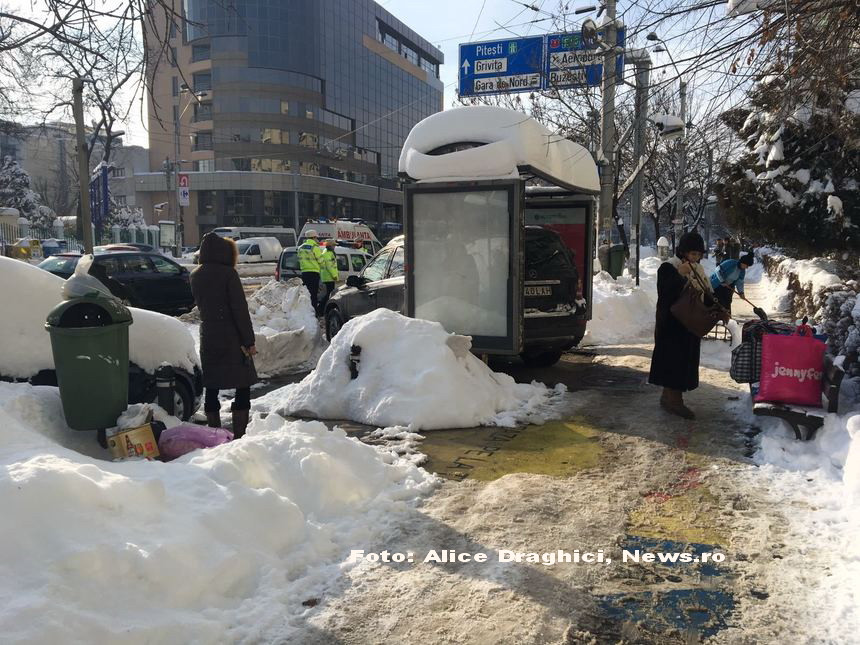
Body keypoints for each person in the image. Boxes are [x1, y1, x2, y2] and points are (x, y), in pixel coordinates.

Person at [190, 233, 257, 438]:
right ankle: (239, 434)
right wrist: (249, 341)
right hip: (231, 336)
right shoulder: (228, 274)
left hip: (208, 334)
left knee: (212, 383)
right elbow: (239, 309)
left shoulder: (195, 274)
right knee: (242, 382)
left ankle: (214, 432)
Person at [648, 231, 715, 419]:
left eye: (698, 254)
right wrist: (679, 275)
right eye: (692, 254)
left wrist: (717, 308)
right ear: (683, 252)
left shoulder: (698, 270)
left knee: (684, 362)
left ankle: (667, 397)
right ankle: (674, 401)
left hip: (689, 324)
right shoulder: (669, 267)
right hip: (672, 325)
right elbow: (666, 293)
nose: (696, 258)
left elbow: (705, 293)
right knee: (673, 362)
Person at [297, 229, 324, 314]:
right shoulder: (314, 247)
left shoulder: (300, 247)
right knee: (313, 294)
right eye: (316, 238)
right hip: (314, 273)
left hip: (304, 273)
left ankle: (306, 311)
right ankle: (314, 311)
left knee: (306, 293)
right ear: (314, 237)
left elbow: (299, 259)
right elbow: (320, 260)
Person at [319, 238, 339, 313]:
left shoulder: (329, 252)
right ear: (330, 246)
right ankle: (321, 309)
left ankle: (322, 309)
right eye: (334, 245)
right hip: (328, 277)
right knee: (329, 294)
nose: (335, 247)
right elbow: (329, 266)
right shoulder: (327, 253)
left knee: (329, 294)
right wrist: (334, 275)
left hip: (328, 276)